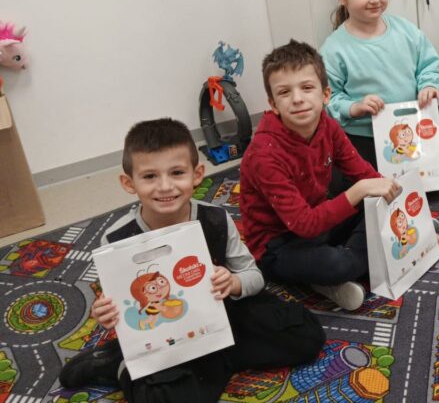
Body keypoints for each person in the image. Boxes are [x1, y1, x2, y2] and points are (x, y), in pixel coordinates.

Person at [59, 119, 324, 401]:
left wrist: (233, 283)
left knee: (306, 336)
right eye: (149, 176)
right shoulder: (117, 240)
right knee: (159, 398)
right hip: (168, 336)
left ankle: (213, 362)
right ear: (129, 183)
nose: (165, 186)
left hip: (225, 314)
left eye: (177, 173)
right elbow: (123, 308)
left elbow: (254, 277)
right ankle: (119, 364)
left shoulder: (216, 219)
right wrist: (105, 315)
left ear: (197, 174)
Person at [240, 40, 439, 310]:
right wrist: (360, 191)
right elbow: (304, 224)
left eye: (307, 88)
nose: (298, 98)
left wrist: (419, 226)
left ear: (326, 94)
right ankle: (362, 257)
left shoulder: (328, 126)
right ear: (273, 104)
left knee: (375, 200)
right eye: (285, 92)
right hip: (278, 245)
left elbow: (368, 175)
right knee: (337, 262)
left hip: (319, 221)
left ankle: (353, 260)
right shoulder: (263, 155)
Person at [319, 0, 439, 169]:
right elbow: (328, 97)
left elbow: (428, 66)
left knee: (436, 172)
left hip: (411, 125)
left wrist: (429, 85)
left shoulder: (406, 31)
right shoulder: (334, 48)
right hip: (363, 136)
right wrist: (355, 107)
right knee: (360, 182)